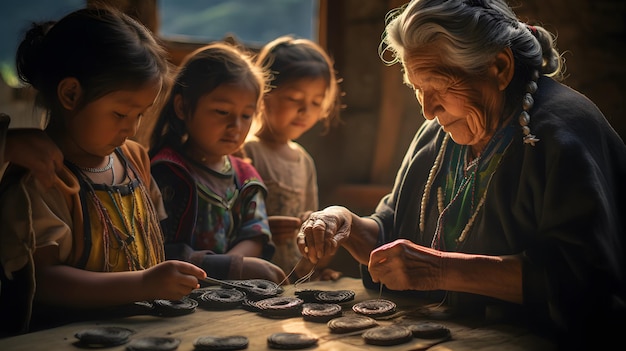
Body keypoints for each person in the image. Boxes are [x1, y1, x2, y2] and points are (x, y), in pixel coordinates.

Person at [297, 0, 626, 347]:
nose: (427, 110)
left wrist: (440, 270)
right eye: (417, 89)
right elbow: (394, 231)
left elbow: (582, 281)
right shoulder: (441, 132)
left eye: (438, 87)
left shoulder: (564, 133)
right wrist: (345, 223)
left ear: (499, 67)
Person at [0, 7, 207, 335]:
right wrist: (142, 283)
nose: (133, 129)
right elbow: (44, 282)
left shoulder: (135, 159)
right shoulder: (41, 178)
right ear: (70, 94)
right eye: (121, 113)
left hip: (142, 333)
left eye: (141, 115)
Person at [149, 43, 286, 284]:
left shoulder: (246, 176)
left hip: (232, 290)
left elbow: (255, 234)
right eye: (222, 111)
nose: (236, 126)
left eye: (246, 116)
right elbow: (157, 249)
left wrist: (229, 271)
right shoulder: (166, 171)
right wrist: (224, 270)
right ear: (182, 107)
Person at [242, 36, 343, 282]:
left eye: (316, 102)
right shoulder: (247, 152)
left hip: (294, 281)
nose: (305, 110)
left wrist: (316, 265)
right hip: (252, 279)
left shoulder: (303, 161)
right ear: (265, 93)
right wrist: (263, 229)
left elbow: (311, 222)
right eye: (295, 99)